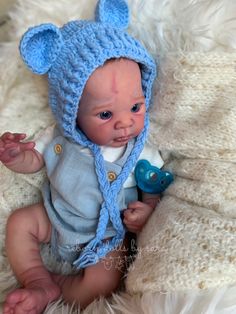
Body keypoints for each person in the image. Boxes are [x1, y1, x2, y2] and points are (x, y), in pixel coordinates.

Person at [1, 0, 164, 312]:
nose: (125, 122)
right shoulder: (58, 138)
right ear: (72, 111)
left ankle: (52, 289)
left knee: (104, 281)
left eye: (135, 107)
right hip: (54, 217)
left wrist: (147, 213)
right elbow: (35, 162)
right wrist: (16, 157)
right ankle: (35, 276)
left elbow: (152, 186)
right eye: (105, 113)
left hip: (106, 236)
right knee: (20, 222)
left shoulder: (139, 151)